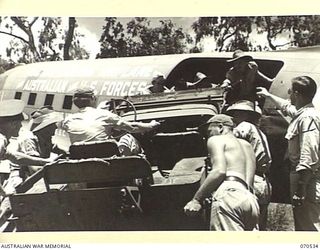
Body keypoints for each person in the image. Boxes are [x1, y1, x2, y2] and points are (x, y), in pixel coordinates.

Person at [257, 76, 320, 231]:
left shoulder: (308, 118)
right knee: (303, 223)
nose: (288, 95)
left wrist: (301, 189)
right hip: (305, 179)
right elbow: (287, 107)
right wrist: (269, 95)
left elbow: (308, 155)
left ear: (297, 94)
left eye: (290, 92)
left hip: (307, 180)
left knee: (310, 227)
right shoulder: (304, 114)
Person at [184, 114, 259, 231]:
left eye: (209, 132)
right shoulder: (247, 145)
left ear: (220, 127)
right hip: (249, 199)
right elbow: (249, 183)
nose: (207, 136)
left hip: (229, 195)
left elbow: (219, 171)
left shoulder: (216, 140)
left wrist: (196, 199)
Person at [62, 88, 160, 156]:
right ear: (93, 98)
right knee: (128, 137)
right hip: (108, 158)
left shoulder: (68, 120)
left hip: (82, 158)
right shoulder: (105, 114)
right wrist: (152, 125)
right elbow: (133, 128)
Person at [226, 100, 272, 230]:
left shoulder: (245, 126)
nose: (234, 116)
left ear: (245, 115)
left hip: (252, 179)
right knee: (259, 225)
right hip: (262, 181)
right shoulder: (259, 131)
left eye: (237, 113)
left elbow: (231, 138)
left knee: (248, 226)